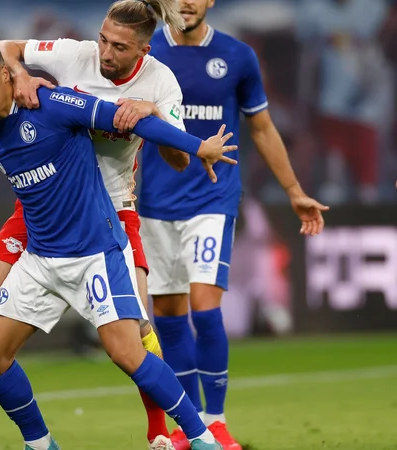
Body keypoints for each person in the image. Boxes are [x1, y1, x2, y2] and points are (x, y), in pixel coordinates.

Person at [0, 1, 229, 449]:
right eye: (102, 38)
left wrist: (163, 123)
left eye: (118, 46)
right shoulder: (64, 61)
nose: (103, 51)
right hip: (41, 217)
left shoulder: (158, 82)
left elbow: (177, 158)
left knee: (135, 337)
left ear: (143, 48)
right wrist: (19, 72)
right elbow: (3, 49)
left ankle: (170, 434)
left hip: (107, 213)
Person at [137, 1, 329, 449]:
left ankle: (216, 420)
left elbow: (261, 127)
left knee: (205, 307)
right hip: (156, 202)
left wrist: (295, 191)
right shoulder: (145, 54)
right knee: (167, 314)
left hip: (212, 197)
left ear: (209, 2)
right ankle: (191, 427)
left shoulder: (237, 56)